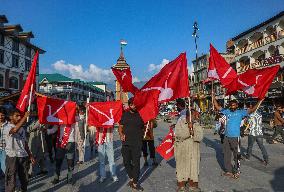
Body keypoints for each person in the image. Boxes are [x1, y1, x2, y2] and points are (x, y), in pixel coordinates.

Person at [212, 94, 263, 179]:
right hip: (227, 137)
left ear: (237, 105)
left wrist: (259, 101)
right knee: (227, 154)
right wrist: (213, 98)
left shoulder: (241, 112)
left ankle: (237, 171)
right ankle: (229, 171)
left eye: (234, 105)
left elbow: (252, 110)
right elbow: (217, 107)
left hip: (236, 137)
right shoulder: (227, 111)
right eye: (231, 105)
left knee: (237, 155)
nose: (232, 107)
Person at [4, 109, 35, 192]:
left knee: (25, 179)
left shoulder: (22, 128)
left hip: (23, 156)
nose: (19, 117)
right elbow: (14, 131)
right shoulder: (7, 127)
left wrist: (30, 155)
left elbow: (24, 143)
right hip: (12, 156)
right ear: (11, 117)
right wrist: (25, 117)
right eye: (16, 116)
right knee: (11, 181)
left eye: (20, 116)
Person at [119, 97, 144, 191]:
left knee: (136, 163)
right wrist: (121, 134)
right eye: (132, 104)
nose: (134, 106)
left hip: (137, 143)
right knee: (126, 162)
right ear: (129, 105)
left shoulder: (141, 114)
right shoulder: (125, 115)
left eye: (135, 104)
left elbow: (147, 126)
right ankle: (132, 178)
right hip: (126, 143)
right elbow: (120, 127)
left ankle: (135, 183)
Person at [175, 109, 203, 192]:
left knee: (193, 168)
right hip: (182, 150)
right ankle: (181, 186)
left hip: (194, 150)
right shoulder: (180, 123)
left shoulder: (197, 124)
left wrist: (193, 132)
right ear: (188, 116)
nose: (196, 116)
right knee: (182, 168)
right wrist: (188, 129)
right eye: (194, 115)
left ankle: (193, 185)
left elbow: (200, 136)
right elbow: (179, 135)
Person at [0, 107, 8, 178]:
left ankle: (12, 186)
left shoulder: (8, 125)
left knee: (4, 166)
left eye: (2, 115)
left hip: (4, 149)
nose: (0, 117)